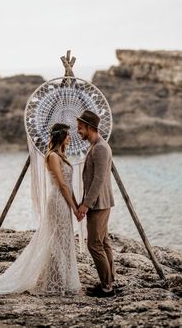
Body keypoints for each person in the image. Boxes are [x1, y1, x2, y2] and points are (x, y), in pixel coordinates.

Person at [0, 123, 81, 297]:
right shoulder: (53, 157)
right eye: (68, 135)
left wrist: (76, 204)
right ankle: (53, 282)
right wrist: (74, 207)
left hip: (65, 202)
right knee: (57, 241)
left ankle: (56, 279)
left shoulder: (62, 156)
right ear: (61, 136)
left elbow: (69, 186)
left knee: (63, 242)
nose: (70, 138)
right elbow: (62, 185)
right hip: (58, 202)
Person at [76, 110, 116, 298]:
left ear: (90, 127)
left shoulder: (100, 147)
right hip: (101, 202)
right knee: (104, 242)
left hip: (99, 204)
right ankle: (109, 281)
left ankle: (107, 287)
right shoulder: (97, 145)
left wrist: (86, 204)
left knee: (94, 244)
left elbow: (99, 179)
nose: (78, 131)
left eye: (80, 128)